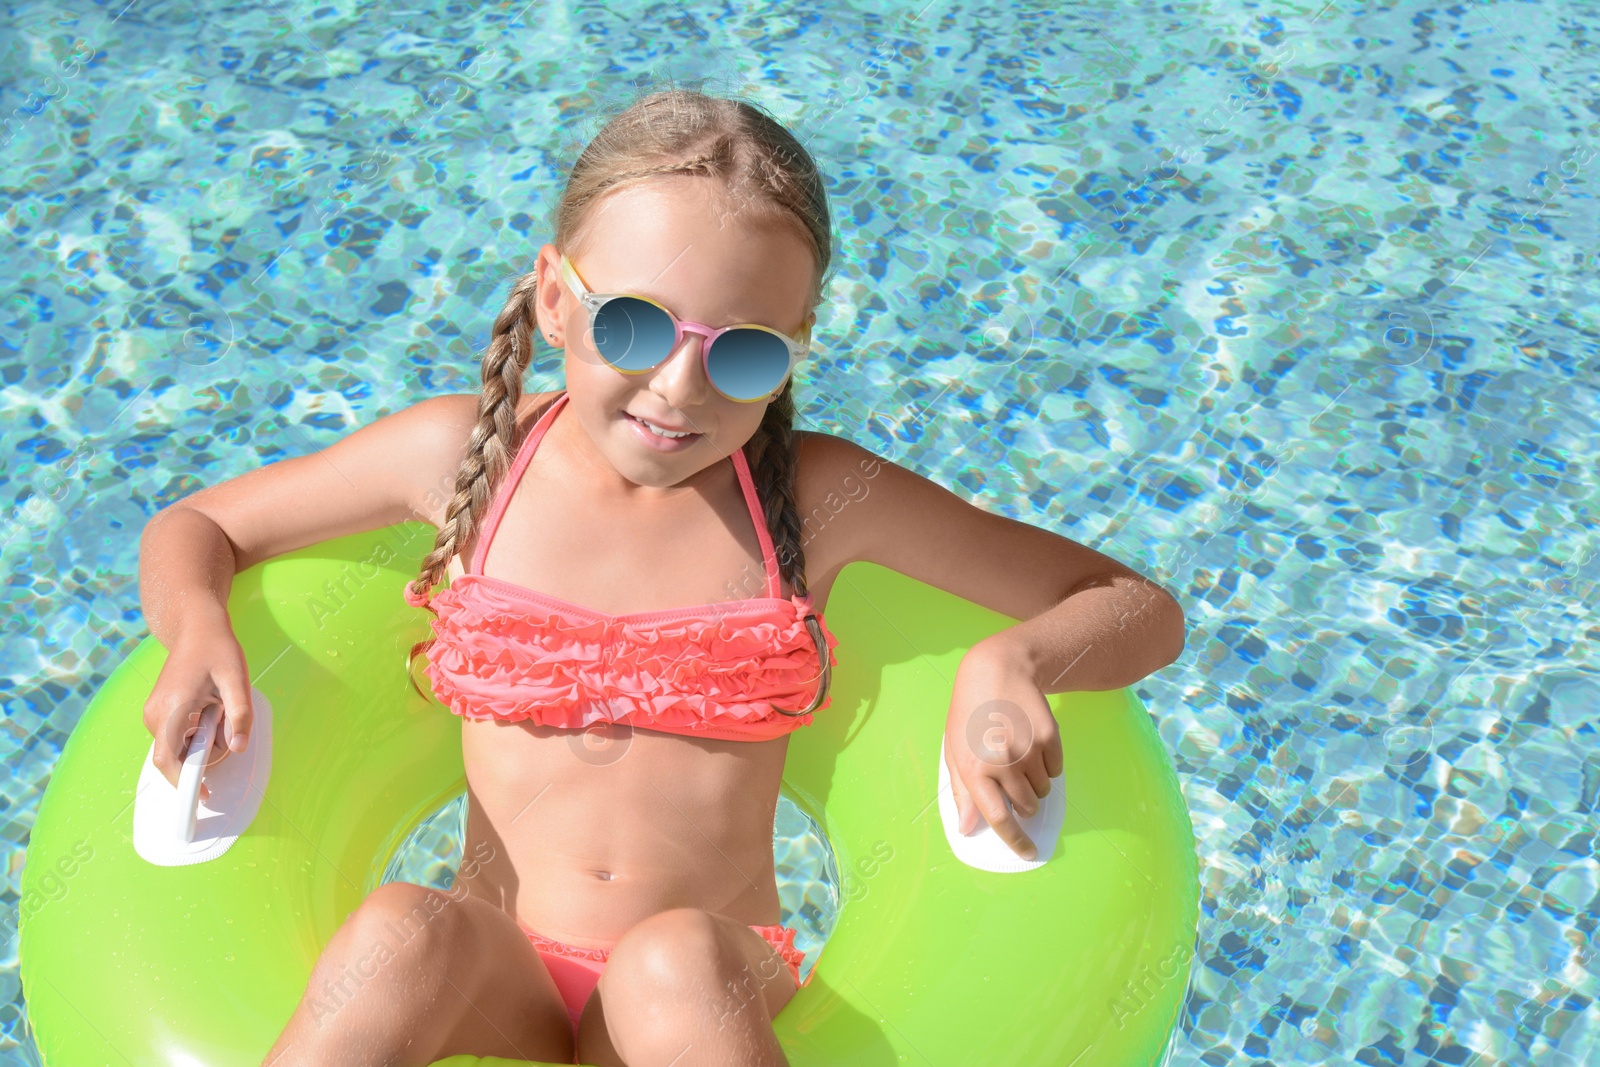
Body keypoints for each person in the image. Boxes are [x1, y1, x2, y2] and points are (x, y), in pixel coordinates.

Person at [137, 87, 1185, 1067]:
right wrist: (197, 631)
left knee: (666, 960)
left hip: (710, 985)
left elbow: (1137, 607)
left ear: (794, 350)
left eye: (743, 355)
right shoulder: (466, 459)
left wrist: (1012, 660)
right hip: (498, 974)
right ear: (555, 298)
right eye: (634, 326)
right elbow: (200, 524)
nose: (679, 389)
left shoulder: (819, 497)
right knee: (401, 928)